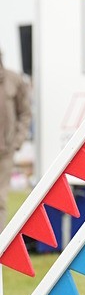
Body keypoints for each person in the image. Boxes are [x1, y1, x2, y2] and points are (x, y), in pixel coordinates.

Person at [0, 52, 32, 231]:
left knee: (0, 200)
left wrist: (18, 140)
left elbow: (25, 112)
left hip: (5, 151)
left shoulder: (14, 80)